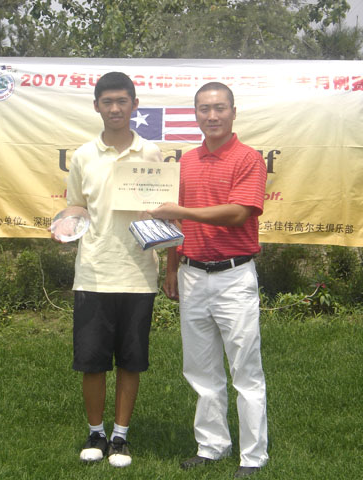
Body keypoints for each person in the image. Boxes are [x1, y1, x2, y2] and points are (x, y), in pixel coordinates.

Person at [148, 82, 269, 478]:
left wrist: (183, 211)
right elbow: (175, 224)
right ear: (196, 114)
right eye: (204, 109)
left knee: (245, 370)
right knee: (200, 369)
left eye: (219, 108)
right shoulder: (186, 162)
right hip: (192, 274)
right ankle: (212, 446)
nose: (212, 116)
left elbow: (238, 213)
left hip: (234, 276)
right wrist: (171, 267)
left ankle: (253, 456)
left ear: (233, 111)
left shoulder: (248, 158)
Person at [51, 72, 162, 468]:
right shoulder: (84, 156)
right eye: (108, 102)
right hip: (94, 271)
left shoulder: (152, 153)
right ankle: (96, 432)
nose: (115, 108)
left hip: (138, 272)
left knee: (131, 360)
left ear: (135, 105)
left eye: (122, 101)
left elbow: (161, 207)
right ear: (96, 106)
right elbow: (77, 205)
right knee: (92, 360)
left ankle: (120, 436)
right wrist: (65, 223)